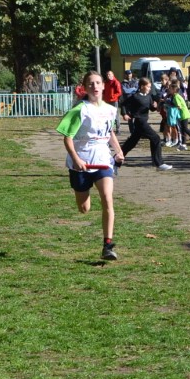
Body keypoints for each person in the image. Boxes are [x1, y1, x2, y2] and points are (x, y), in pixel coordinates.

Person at [56, 70, 124, 261]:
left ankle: (108, 245)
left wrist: (119, 151)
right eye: (91, 84)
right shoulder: (80, 110)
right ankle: (83, 196)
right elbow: (67, 138)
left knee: (107, 199)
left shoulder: (110, 109)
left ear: (103, 86)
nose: (95, 86)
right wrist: (76, 159)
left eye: (98, 83)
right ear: (85, 88)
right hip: (81, 163)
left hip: (103, 161)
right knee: (84, 208)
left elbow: (109, 132)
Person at [120, 77, 171, 171]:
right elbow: (123, 104)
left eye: (150, 87)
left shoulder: (148, 96)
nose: (149, 88)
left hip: (144, 121)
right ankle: (158, 163)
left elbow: (151, 108)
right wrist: (124, 114)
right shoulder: (135, 96)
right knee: (156, 138)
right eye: (148, 86)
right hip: (139, 122)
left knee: (131, 143)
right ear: (142, 86)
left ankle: (116, 159)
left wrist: (154, 106)